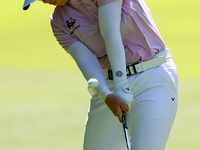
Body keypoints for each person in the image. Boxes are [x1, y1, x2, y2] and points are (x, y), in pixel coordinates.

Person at [23, 0, 178, 149]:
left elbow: (110, 31)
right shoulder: (58, 21)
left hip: (152, 77)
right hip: (109, 88)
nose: (44, 1)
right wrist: (106, 95)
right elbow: (86, 60)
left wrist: (121, 84)